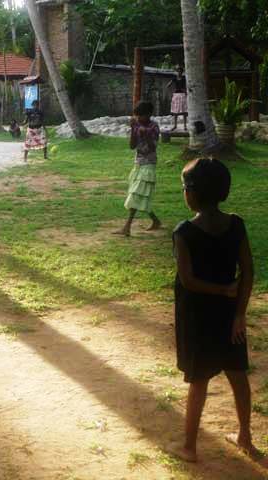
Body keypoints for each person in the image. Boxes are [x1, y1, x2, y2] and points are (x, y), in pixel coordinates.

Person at [169, 158, 256, 463]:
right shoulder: (236, 225)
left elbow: (188, 281)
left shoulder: (184, 232)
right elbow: (248, 271)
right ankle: (245, 436)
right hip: (230, 317)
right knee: (238, 375)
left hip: (198, 318)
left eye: (184, 187)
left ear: (191, 193)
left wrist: (221, 291)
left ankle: (189, 447)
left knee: (199, 381)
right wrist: (239, 313)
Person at [114, 101, 162, 236]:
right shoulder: (137, 126)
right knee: (139, 194)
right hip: (138, 163)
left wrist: (145, 133)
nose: (138, 118)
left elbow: (152, 147)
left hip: (149, 164)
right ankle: (156, 221)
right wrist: (133, 130)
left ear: (149, 114)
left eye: (141, 115)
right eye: (137, 116)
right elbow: (132, 146)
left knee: (136, 193)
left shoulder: (154, 126)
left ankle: (127, 227)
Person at [167, 65, 188, 131]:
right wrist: (172, 92)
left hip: (183, 95)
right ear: (177, 72)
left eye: (180, 71)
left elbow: (187, 85)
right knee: (175, 111)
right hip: (176, 95)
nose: (179, 72)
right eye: (178, 71)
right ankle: (175, 126)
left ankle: (185, 126)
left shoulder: (184, 78)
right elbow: (168, 85)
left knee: (184, 111)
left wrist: (186, 91)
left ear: (182, 72)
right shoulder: (174, 78)